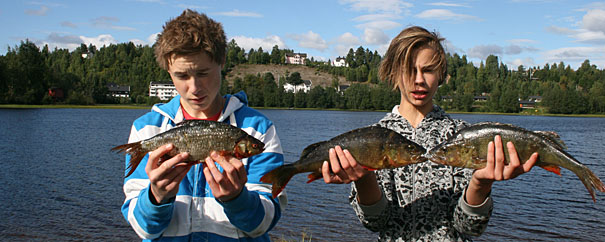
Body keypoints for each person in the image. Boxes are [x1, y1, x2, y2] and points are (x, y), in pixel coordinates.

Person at [322, 26, 538, 241]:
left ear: (441, 75)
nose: (418, 80)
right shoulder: (374, 139)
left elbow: (469, 228)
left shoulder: (461, 136)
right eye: (409, 69)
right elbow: (376, 223)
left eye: (428, 70)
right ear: (393, 73)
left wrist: (480, 185)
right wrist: (364, 179)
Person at [120, 9, 285, 241]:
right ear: (168, 71)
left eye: (203, 73)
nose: (194, 88)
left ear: (222, 62)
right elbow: (144, 229)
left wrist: (237, 199)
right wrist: (156, 197)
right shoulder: (147, 129)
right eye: (182, 76)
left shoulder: (257, 128)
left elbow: (263, 225)